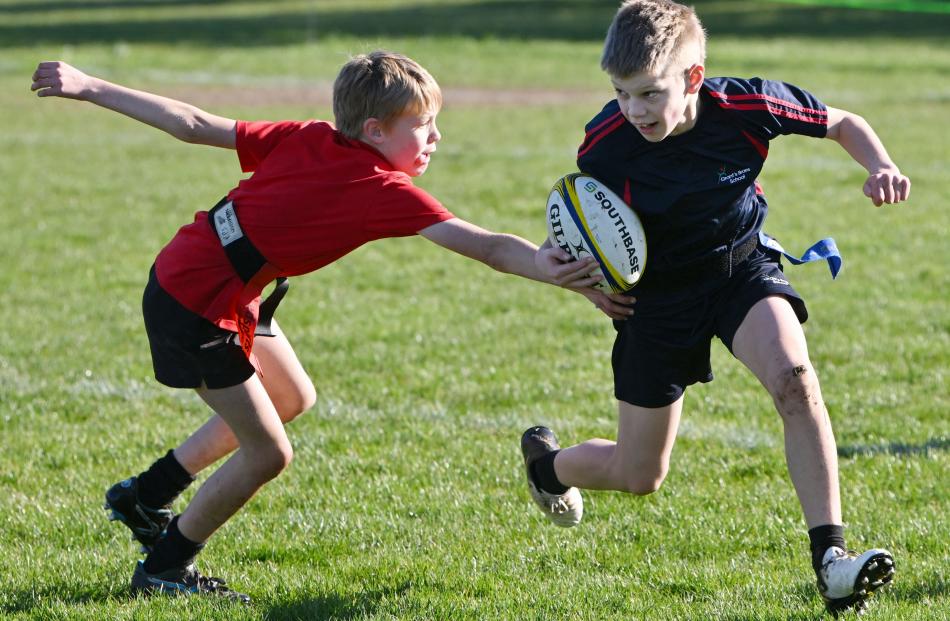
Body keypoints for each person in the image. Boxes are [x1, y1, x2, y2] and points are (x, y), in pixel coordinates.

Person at [31, 52, 633, 603]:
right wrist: (561, 273)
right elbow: (491, 248)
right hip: (195, 302)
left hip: (207, 275)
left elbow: (193, 123)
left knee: (292, 396)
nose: (436, 136)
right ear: (375, 131)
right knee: (268, 454)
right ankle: (165, 566)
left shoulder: (311, 136)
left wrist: (88, 85)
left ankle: (145, 496)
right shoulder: (384, 189)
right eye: (422, 125)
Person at [522, 1, 908, 616]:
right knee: (639, 473)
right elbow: (575, 226)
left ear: (693, 78)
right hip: (656, 302)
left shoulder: (750, 107)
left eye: (649, 94)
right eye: (622, 93)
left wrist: (881, 164)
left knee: (795, 380)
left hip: (740, 271)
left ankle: (832, 562)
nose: (634, 110)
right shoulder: (607, 142)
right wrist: (585, 282)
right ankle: (549, 469)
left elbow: (843, 122)